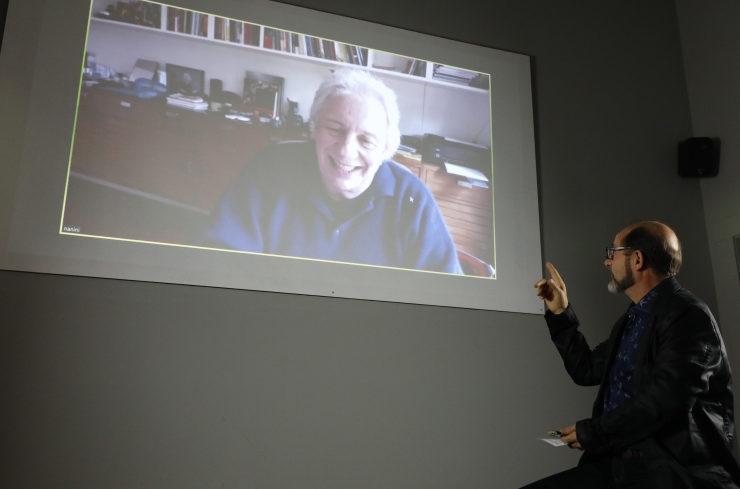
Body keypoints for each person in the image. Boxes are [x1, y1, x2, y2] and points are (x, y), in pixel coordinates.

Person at [523, 221, 740, 488]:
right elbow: (586, 369)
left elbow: (662, 402)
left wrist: (593, 432)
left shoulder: (688, 315)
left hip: (665, 472)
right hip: (615, 465)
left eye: (612, 253)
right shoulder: (633, 319)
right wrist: (560, 313)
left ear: (637, 259)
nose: (607, 262)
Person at [192, 68, 462, 274]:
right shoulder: (269, 167)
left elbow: (446, 295)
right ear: (315, 128)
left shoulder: (412, 199)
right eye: (335, 129)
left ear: (385, 150)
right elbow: (219, 256)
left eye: (366, 140)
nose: (346, 150)